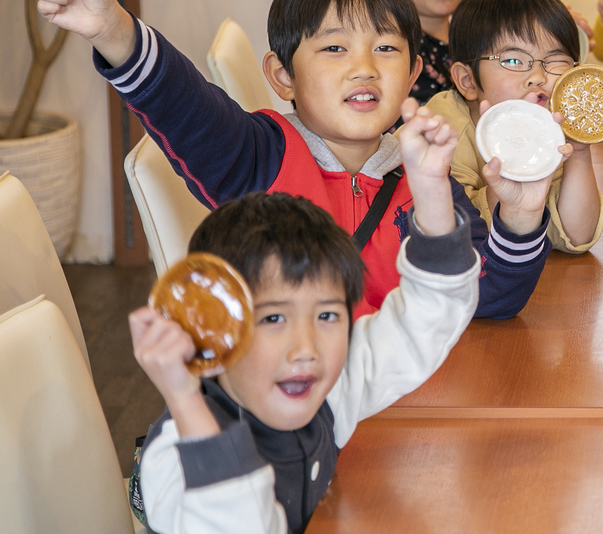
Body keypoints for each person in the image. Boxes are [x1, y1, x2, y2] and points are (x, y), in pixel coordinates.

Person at [37, 0, 556, 319]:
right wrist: (113, 31)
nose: (363, 69)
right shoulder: (257, 157)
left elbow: (489, 298)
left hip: (398, 417)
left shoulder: (425, 177)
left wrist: (522, 213)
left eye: (386, 50)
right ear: (282, 75)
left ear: (415, 70)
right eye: (334, 49)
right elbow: (183, 103)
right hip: (287, 431)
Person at [128, 105, 476, 534]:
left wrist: (428, 187)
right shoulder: (178, 452)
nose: (306, 347)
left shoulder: (327, 386)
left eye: (328, 314)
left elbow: (430, 316)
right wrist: (183, 398)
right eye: (273, 319)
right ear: (213, 327)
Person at [429, 0, 603, 254]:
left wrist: (581, 150)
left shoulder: (549, 129)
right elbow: (456, 237)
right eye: (513, 61)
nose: (538, 77)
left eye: (556, 62)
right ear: (467, 80)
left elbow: (577, 236)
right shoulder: (441, 131)